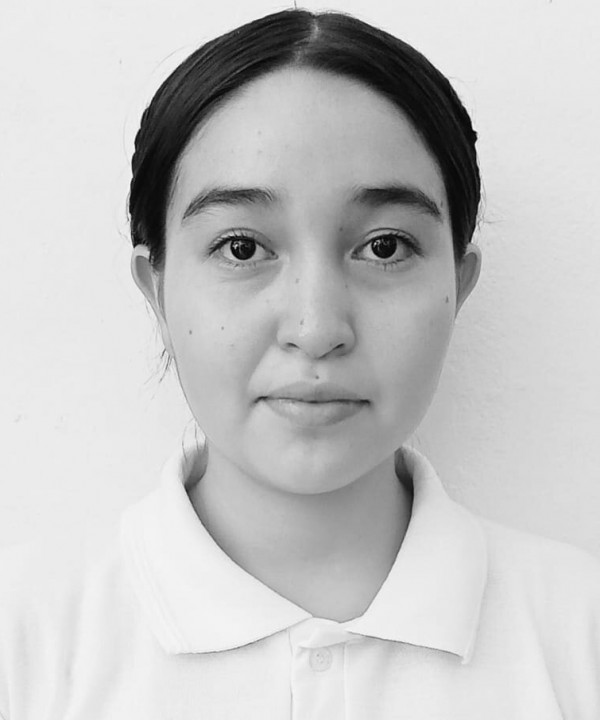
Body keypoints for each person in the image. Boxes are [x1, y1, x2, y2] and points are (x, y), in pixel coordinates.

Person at [1, 8, 599, 719]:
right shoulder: (26, 642)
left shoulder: (579, 638)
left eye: (384, 247)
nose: (316, 330)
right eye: (243, 248)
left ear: (458, 286)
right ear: (156, 290)